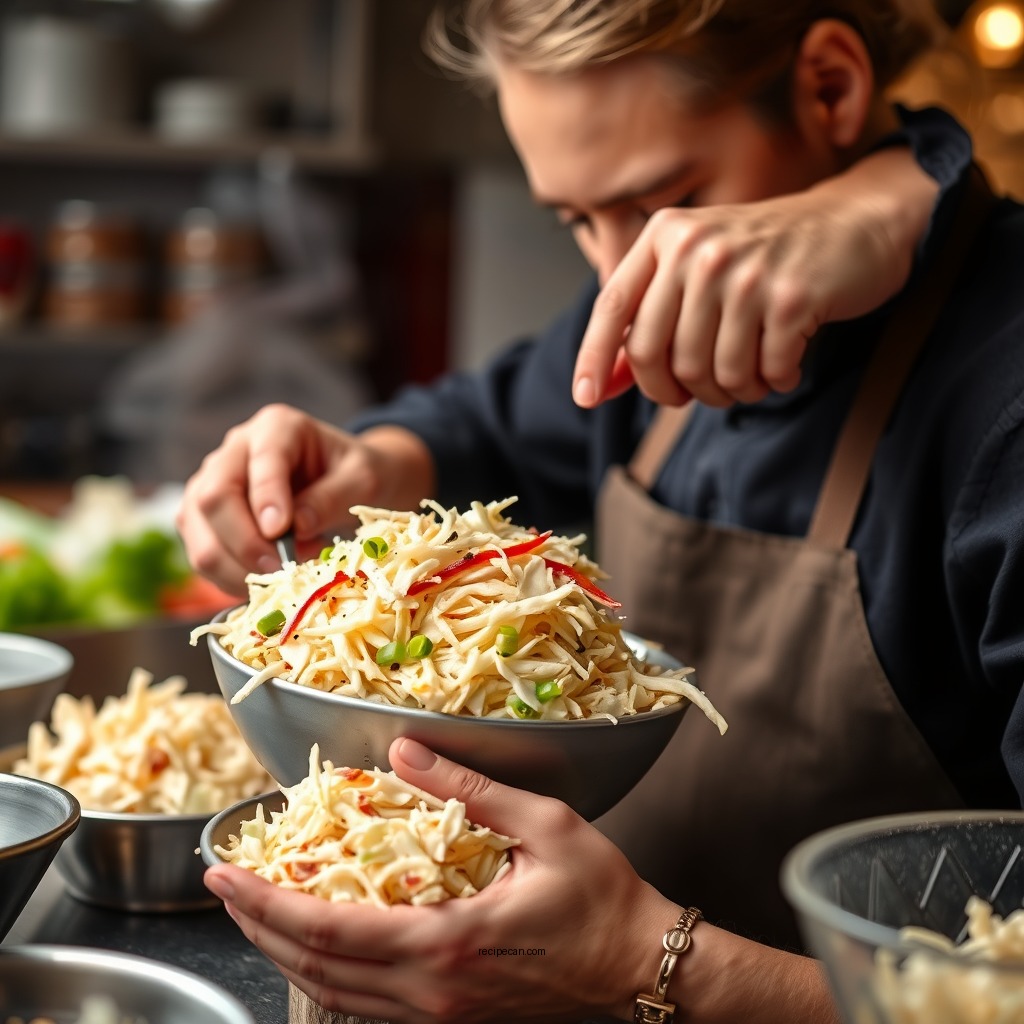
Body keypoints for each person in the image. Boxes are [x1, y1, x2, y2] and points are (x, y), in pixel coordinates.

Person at [182, 0, 1024, 1020]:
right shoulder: (646, 311)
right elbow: (481, 426)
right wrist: (365, 462)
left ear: (830, 88)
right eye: (576, 221)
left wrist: (648, 960)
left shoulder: (1000, 400)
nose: (618, 276)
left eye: (662, 200)